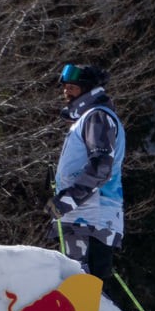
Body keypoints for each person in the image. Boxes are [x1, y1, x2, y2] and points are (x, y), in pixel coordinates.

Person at [50, 63, 125, 278]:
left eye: (72, 87)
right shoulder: (89, 117)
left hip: (91, 217)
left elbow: (101, 165)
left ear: (87, 90)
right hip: (84, 216)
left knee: (84, 288)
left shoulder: (97, 117)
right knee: (81, 286)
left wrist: (68, 199)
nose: (66, 92)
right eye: (65, 87)